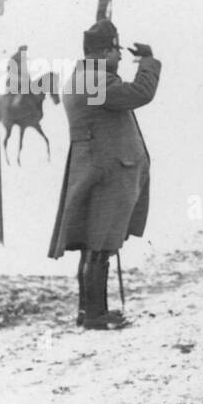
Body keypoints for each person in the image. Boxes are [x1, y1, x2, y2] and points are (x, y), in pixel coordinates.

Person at [48, 19, 161, 330]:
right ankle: (96, 314)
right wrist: (148, 63)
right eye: (116, 50)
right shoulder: (92, 81)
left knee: (94, 243)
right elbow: (138, 93)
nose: (120, 57)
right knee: (100, 243)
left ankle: (90, 311)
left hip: (97, 169)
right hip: (106, 173)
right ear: (103, 52)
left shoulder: (84, 78)